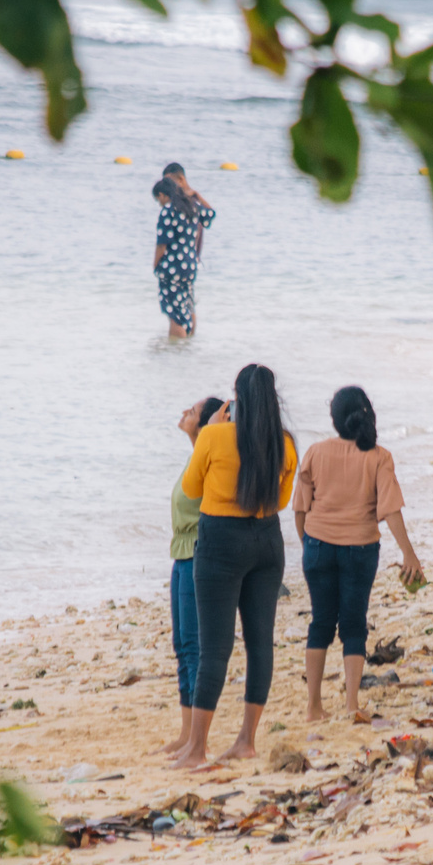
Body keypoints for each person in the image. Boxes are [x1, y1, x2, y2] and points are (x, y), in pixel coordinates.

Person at [172, 362, 295, 769]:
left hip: (221, 544)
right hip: (267, 541)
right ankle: (246, 741)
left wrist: (215, 431)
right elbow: (280, 501)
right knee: (260, 643)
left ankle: (196, 749)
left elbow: (191, 488)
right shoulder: (285, 443)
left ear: (236, 399)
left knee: (215, 648)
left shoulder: (215, 435)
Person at [293, 385, 424, 724]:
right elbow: (391, 509)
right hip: (360, 551)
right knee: (353, 625)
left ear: (335, 420)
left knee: (320, 622)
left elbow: (299, 509)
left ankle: (313, 708)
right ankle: (352, 706)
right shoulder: (379, 456)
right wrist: (409, 555)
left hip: (318, 548)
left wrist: (308, 545)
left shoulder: (315, 452)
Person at [163, 392, 227, 755]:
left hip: (197, 554)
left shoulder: (210, 457)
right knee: (181, 644)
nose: (185, 410)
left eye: (194, 410)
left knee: (193, 646)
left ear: (206, 423)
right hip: (181, 554)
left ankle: (194, 737)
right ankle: (185, 731)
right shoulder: (196, 456)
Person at [150, 162, 216, 339]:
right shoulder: (191, 206)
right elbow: (210, 214)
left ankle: (176, 352)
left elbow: (162, 244)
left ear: (164, 195)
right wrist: (197, 195)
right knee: (187, 304)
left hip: (172, 267)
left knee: (174, 312)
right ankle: (188, 349)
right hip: (190, 265)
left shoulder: (168, 212)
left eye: (159, 199)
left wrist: (156, 265)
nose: (160, 203)